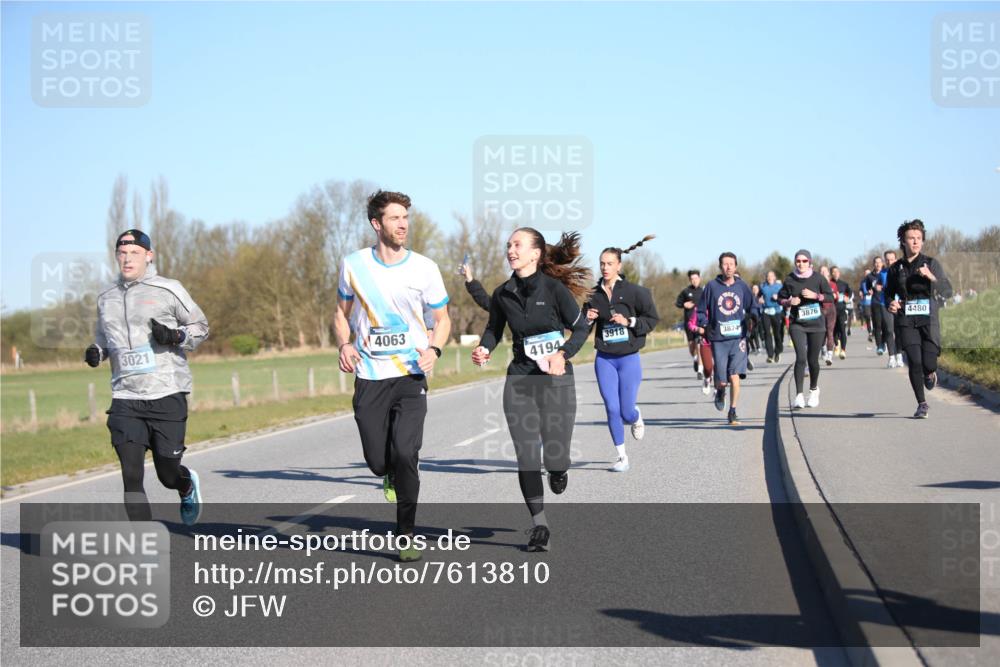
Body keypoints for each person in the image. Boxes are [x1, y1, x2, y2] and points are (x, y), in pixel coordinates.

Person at [334, 190, 451, 562]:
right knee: (377, 461)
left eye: (406, 218)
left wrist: (433, 350)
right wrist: (344, 344)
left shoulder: (424, 268)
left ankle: (406, 534)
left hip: (410, 375)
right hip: (369, 375)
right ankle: (387, 473)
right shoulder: (353, 265)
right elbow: (340, 314)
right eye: (395, 218)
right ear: (376, 223)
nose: (403, 225)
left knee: (405, 453)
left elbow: (442, 320)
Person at [472, 228, 591, 552]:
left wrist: (562, 354)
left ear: (535, 254)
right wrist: (484, 348)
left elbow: (581, 327)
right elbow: (493, 329)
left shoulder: (553, 290)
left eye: (517, 245)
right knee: (526, 455)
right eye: (509, 245)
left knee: (556, 455)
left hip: (556, 381)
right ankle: (540, 525)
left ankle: (559, 469)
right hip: (520, 381)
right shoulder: (503, 293)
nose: (511, 250)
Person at [85, 229, 209, 524]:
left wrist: (176, 335)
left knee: (167, 474)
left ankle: (185, 484)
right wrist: (97, 351)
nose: (127, 259)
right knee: (131, 476)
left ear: (148, 256)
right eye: (122, 253)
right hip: (125, 396)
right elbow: (104, 339)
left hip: (166, 391)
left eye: (135, 253)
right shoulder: (105, 298)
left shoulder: (169, 289)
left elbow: (201, 326)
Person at [584, 235, 659, 473]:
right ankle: (622, 457)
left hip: (628, 358)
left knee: (626, 411)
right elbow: (582, 327)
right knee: (611, 408)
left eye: (609, 263)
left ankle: (636, 417)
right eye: (602, 264)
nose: (605, 268)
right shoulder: (592, 295)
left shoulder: (636, 292)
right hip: (604, 358)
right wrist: (587, 319)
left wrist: (629, 322)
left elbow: (652, 319)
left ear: (619, 265)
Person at [886, 220, 953, 419]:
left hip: (928, 318)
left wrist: (931, 276)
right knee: (914, 361)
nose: (915, 242)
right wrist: (891, 303)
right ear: (903, 241)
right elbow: (888, 293)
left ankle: (930, 373)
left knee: (928, 363)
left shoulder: (931, 263)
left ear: (922, 241)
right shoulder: (895, 268)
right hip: (906, 319)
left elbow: (947, 291)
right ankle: (922, 404)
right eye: (911, 238)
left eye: (919, 238)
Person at [696, 252, 754, 425]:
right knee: (722, 380)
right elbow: (700, 310)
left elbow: (753, 306)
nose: (728, 267)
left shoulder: (742, 286)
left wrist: (754, 317)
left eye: (731, 264)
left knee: (734, 376)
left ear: (736, 266)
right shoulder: (711, 286)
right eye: (725, 264)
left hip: (738, 338)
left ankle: (733, 411)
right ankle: (720, 391)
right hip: (719, 339)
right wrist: (704, 324)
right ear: (720, 266)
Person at [778, 250, 833, 409]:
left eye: (804, 261)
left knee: (812, 360)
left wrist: (816, 296)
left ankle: (814, 390)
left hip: (817, 325)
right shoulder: (790, 279)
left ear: (810, 262)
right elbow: (780, 298)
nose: (801, 264)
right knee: (801, 358)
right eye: (798, 261)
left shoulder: (818, 278)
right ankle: (799, 395)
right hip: (797, 324)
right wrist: (789, 302)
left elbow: (830, 297)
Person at [675, 270, 705, 379]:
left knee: (699, 345)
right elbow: (677, 303)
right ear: (689, 280)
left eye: (696, 278)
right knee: (692, 347)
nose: (694, 281)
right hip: (689, 323)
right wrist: (684, 304)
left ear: (699, 279)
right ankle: (695, 358)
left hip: (700, 324)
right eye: (692, 279)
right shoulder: (685, 292)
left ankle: (700, 371)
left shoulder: (704, 291)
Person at [759, 270, 785, 364]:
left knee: (777, 333)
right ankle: (770, 355)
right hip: (766, 311)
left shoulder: (779, 286)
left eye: (771, 276)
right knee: (767, 333)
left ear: (774, 277)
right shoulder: (762, 286)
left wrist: (778, 298)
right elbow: (758, 296)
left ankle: (777, 352)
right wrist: (760, 299)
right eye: (768, 276)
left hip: (776, 311)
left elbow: (784, 297)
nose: (769, 278)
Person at [818, 266, 838, 366]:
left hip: (830, 309)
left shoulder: (832, 284)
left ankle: (830, 355)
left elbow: (836, 296)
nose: (823, 273)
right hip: (820, 309)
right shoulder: (816, 284)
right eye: (821, 271)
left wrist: (834, 296)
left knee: (830, 332)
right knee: (822, 332)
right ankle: (823, 349)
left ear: (828, 273)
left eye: (825, 271)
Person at [831, 266, 852, 359]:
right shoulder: (828, 284)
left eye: (837, 272)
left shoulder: (844, 284)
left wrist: (847, 297)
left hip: (842, 309)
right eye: (833, 272)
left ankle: (843, 350)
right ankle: (836, 344)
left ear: (839, 273)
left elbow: (850, 292)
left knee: (842, 329)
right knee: (834, 330)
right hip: (832, 310)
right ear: (831, 273)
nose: (835, 273)